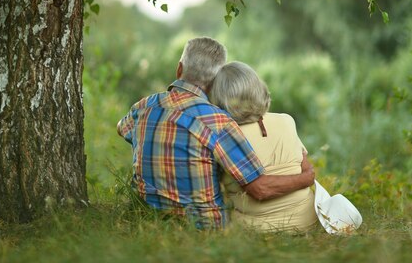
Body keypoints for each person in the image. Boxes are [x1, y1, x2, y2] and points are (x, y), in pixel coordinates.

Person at [116, 37, 315, 229]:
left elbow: (122, 129)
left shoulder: (143, 106)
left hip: (145, 215)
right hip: (203, 226)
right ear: (217, 81)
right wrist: (307, 178)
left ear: (179, 69)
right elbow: (259, 188)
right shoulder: (218, 121)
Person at [209, 61, 362, 233]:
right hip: (309, 222)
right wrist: (304, 179)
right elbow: (308, 171)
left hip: (257, 230)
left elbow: (219, 189)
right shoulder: (286, 120)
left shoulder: (222, 137)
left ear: (218, 98)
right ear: (257, 89)